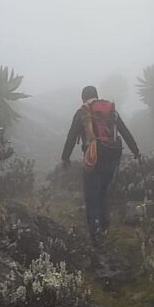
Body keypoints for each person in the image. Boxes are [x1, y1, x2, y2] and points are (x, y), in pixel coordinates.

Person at [61, 85, 140, 246]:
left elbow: (71, 136)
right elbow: (124, 132)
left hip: (93, 157)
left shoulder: (83, 111)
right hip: (112, 155)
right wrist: (135, 151)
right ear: (96, 95)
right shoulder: (111, 110)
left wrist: (65, 157)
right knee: (103, 191)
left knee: (92, 195)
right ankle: (104, 226)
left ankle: (96, 232)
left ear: (83, 98)